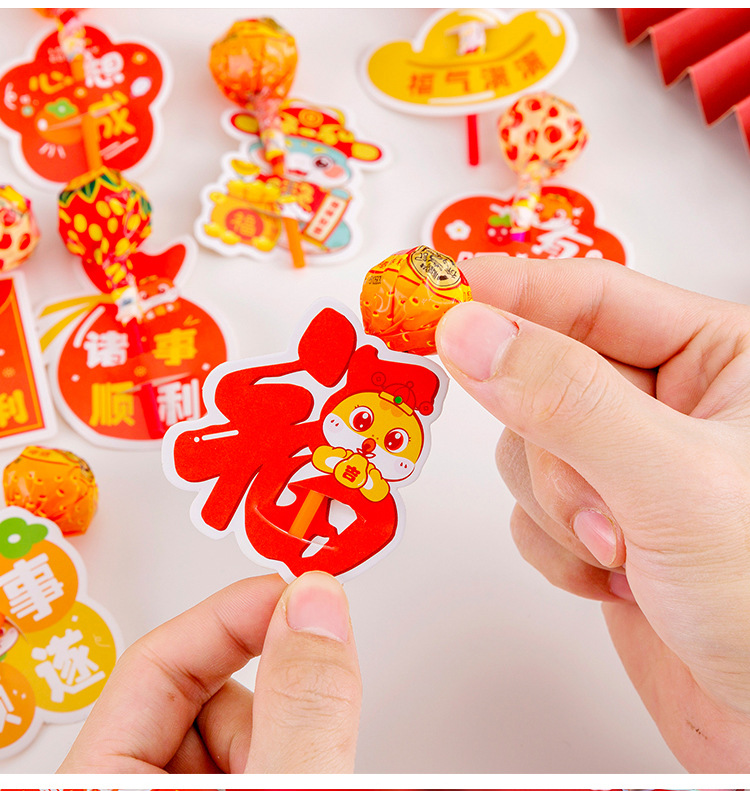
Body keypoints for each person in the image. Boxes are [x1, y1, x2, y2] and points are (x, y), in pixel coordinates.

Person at [62, 254, 750, 773]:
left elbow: (372, 526)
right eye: (363, 425)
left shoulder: (373, 499)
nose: (367, 445)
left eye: (391, 441)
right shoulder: (311, 437)